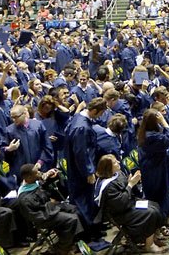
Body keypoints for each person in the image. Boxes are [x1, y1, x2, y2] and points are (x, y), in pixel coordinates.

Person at [94, 154, 165, 253]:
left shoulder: (118, 174)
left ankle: (152, 237)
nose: (118, 162)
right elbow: (120, 203)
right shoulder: (108, 186)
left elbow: (127, 191)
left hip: (128, 204)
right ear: (108, 167)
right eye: (115, 162)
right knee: (150, 213)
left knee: (154, 205)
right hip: (120, 213)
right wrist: (131, 184)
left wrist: (132, 182)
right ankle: (149, 245)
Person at [17, 164, 83, 255]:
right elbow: (37, 216)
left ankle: (72, 242)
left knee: (75, 210)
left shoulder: (33, 182)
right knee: (72, 219)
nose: (39, 173)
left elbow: (44, 190)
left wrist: (49, 176)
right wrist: (55, 210)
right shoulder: (25, 198)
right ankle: (61, 249)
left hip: (50, 209)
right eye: (37, 172)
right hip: (43, 217)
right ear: (28, 177)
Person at [64, 97, 106, 235]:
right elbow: (80, 152)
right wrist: (89, 172)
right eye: (100, 113)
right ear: (94, 110)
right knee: (83, 201)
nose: (101, 116)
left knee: (86, 200)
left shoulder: (78, 117)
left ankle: (91, 228)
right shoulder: (81, 127)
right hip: (80, 171)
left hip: (79, 168)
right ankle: (87, 233)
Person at [137, 108, 169, 220]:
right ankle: (160, 220)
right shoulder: (152, 136)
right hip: (154, 168)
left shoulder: (146, 131)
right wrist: (164, 122)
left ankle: (164, 217)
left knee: (162, 192)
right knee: (159, 194)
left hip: (154, 165)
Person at [2, 104, 54, 179]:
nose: (13, 120)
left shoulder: (38, 126)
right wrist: (9, 149)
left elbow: (47, 147)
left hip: (38, 169)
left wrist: (41, 162)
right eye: (12, 117)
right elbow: (1, 150)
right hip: (20, 173)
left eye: (16, 117)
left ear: (24, 114)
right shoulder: (9, 131)